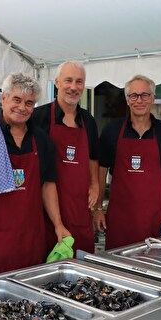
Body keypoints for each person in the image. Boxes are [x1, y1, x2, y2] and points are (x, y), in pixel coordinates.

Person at [0, 73, 70, 279]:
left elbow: (48, 185)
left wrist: (58, 224)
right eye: (17, 99)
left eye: (29, 103)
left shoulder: (41, 139)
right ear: (3, 98)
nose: (22, 107)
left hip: (29, 242)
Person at [93, 75, 161, 250]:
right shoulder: (111, 131)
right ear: (127, 100)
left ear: (153, 98)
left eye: (145, 95)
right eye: (134, 96)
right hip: (120, 220)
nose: (139, 100)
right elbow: (101, 171)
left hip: (156, 220)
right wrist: (98, 209)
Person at [31, 61, 99, 255]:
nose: (73, 87)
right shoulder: (38, 117)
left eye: (79, 82)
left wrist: (95, 184)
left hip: (79, 208)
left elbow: (93, 157)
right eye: (68, 81)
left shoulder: (88, 120)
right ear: (57, 82)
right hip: (46, 209)